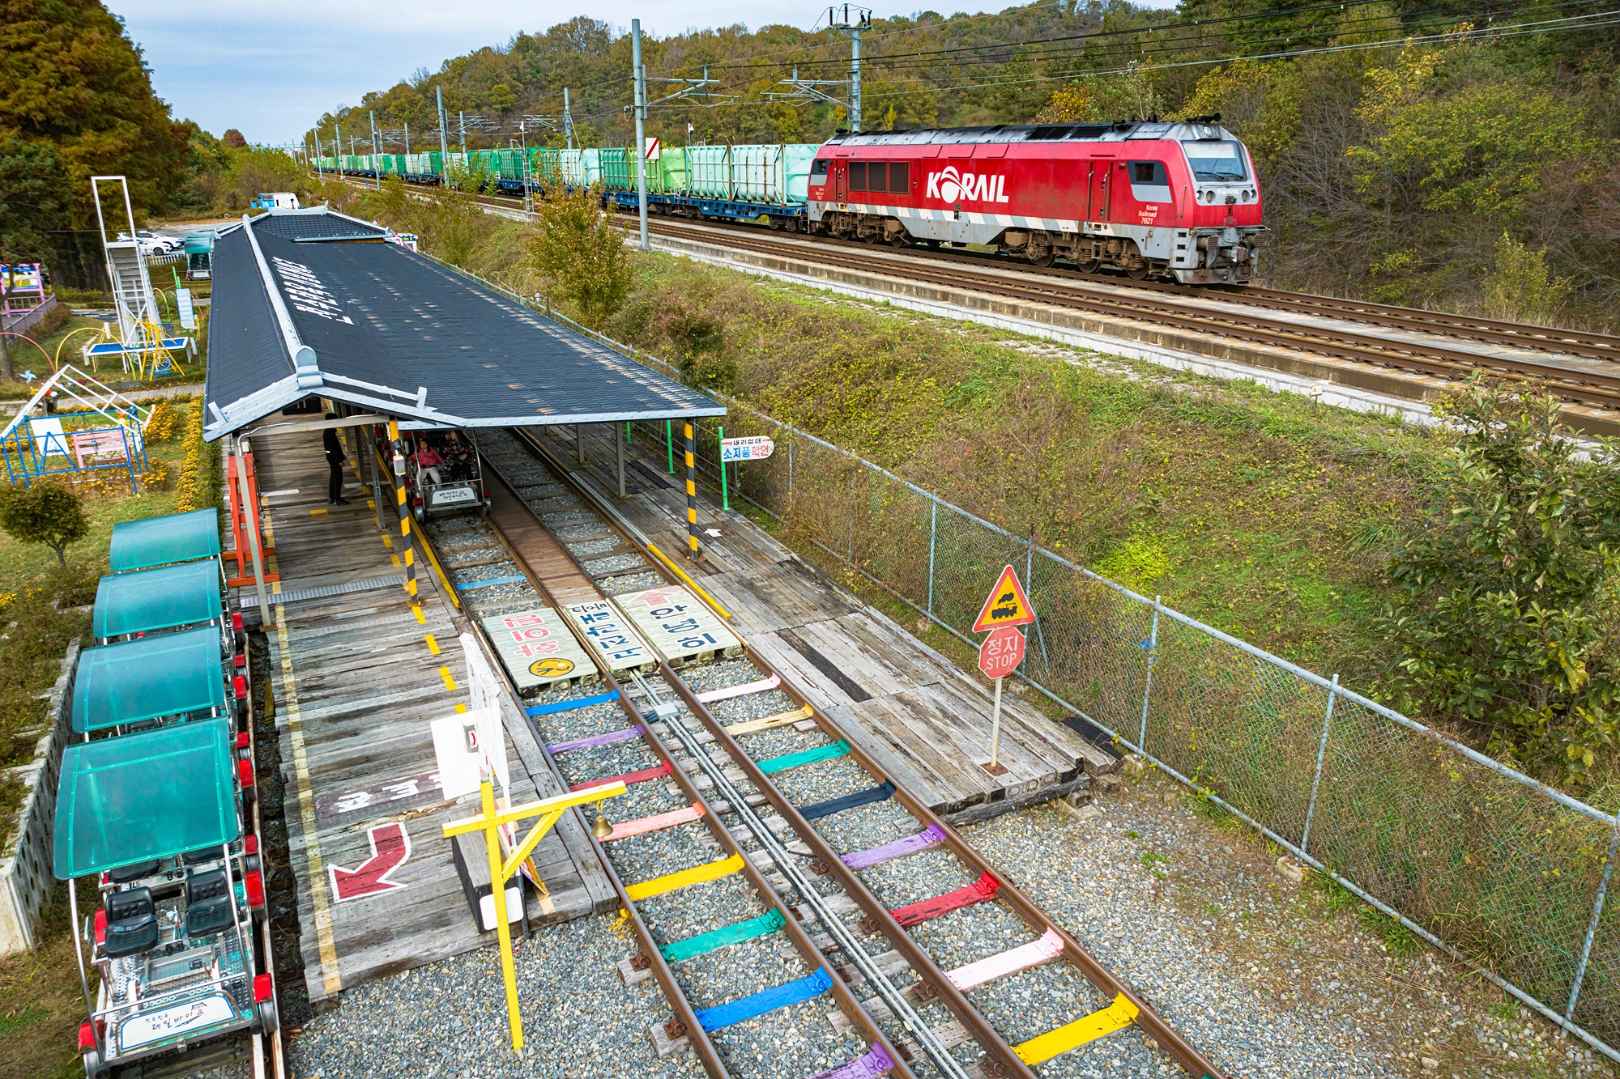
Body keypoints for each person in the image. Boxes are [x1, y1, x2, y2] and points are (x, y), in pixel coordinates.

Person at [323, 415, 349, 504]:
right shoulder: (330, 432)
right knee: (338, 478)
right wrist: (339, 460)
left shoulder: (328, 431)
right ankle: (337, 499)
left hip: (331, 457)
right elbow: (333, 449)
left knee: (334, 477)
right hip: (334, 458)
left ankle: (332, 497)